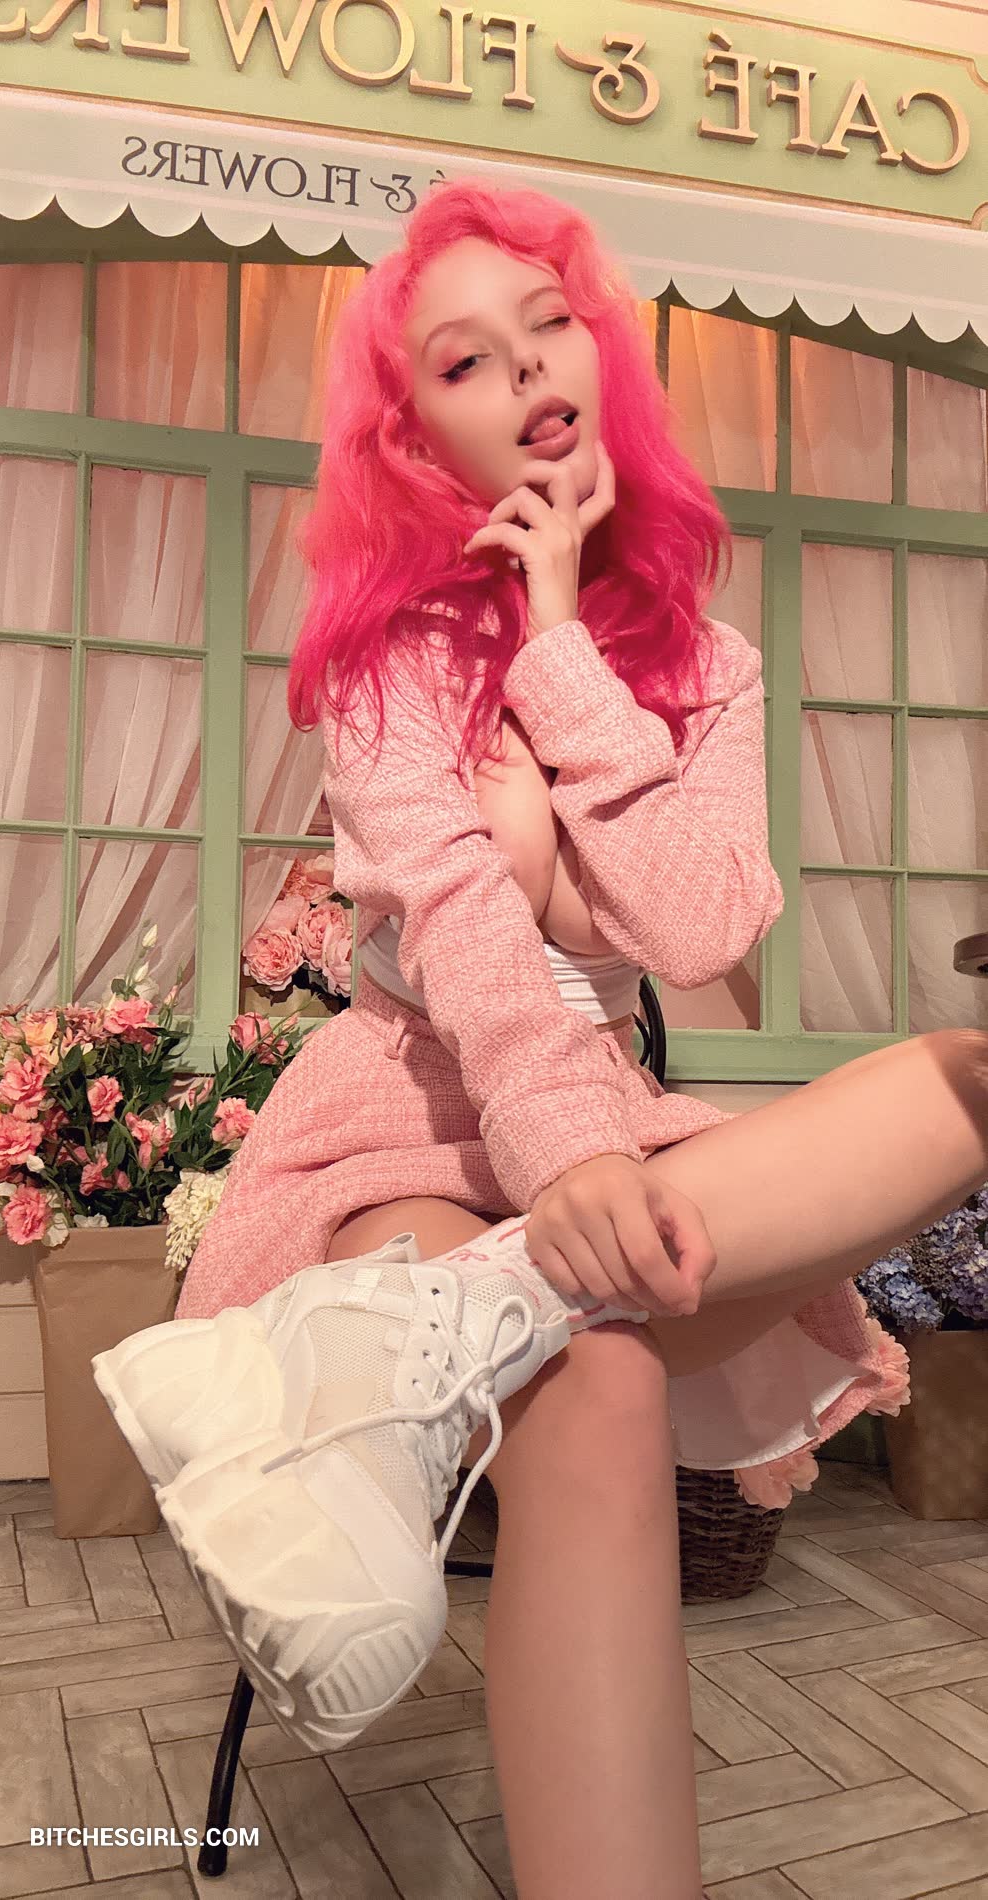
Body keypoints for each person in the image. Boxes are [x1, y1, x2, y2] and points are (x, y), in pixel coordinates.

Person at [95, 179, 988, 1900]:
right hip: (408, 1110)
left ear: (600, 351)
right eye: (461, 359)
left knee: (964, 1083)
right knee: (597, 1388)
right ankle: (457, 1319)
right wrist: (562, 1142)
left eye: (547, 326)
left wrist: (567, 648)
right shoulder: (393, 647)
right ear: (412, 429)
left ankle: (420, 1344)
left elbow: (702, 928)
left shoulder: (703, 663)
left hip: (613, 1119)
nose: (522, 371)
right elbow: (457, 918)